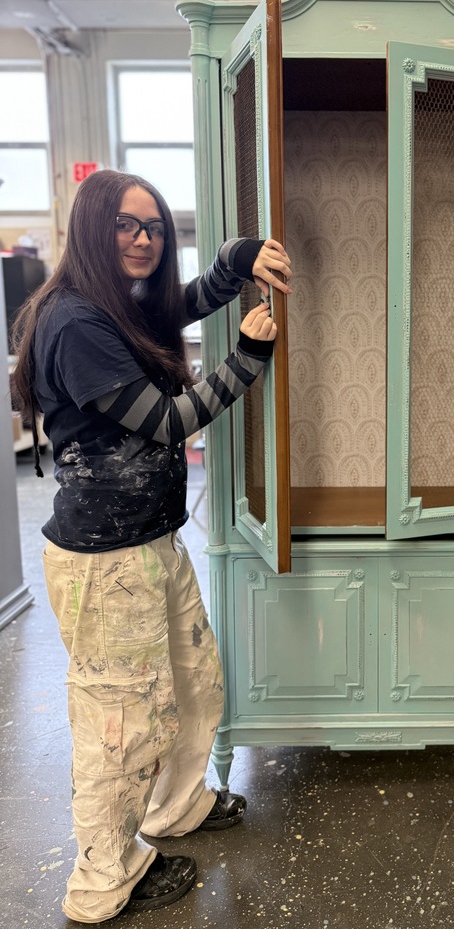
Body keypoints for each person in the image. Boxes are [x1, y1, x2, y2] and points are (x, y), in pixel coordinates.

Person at [11, 169, 292, 922]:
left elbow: (181, 302)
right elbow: (165, 421)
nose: (143, 240)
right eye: (126, 227)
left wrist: (237, 258)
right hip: (103, 563)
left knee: (194, 685)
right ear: (93, 231)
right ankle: (104, 879)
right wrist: (247, 361)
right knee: (120, 724)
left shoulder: (117, 303)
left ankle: (177, 808)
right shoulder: (73, 322)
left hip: (148, 542)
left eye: (155, 227)